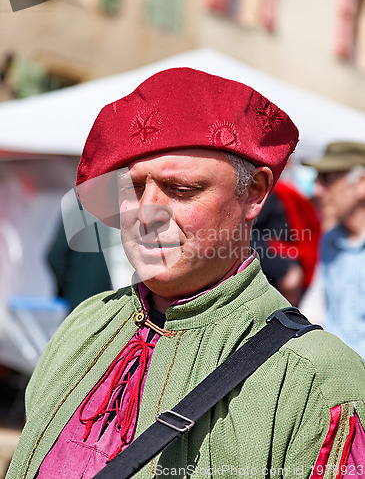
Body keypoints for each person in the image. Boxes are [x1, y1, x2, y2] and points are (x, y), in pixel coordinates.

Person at [6, 69, 365, 479]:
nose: (147, 214)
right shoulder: (84, 327)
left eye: (182, 190)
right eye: (134, 188)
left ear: (255, 193)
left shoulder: (318, 382)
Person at [305, 141, 365, 360]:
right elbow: (314, 309)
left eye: (328, 179)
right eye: (317, 178)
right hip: (337, 379)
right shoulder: (330, 239)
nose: (317, 190)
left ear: (361, 184)